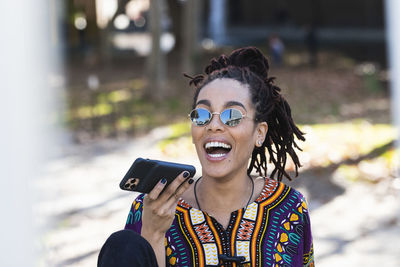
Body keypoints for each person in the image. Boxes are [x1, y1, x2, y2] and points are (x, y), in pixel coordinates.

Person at [98, 47, 314, 267]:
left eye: (232, 115)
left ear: (259, 133)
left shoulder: (289, 208)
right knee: (121, 244)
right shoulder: (150, 209)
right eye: (202, 114)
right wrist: (154, 234)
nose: (214, 125)